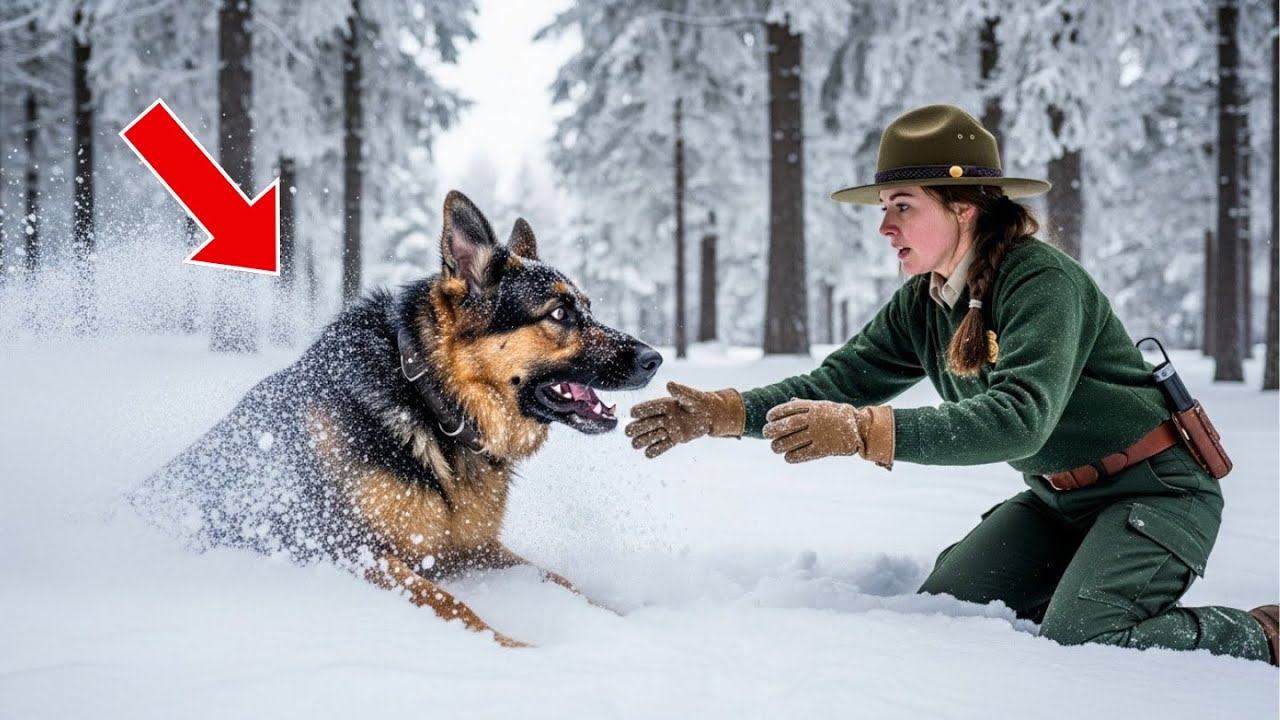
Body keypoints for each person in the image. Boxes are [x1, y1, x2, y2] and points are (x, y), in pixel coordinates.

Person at [624, 104, 1278, 665]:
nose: (885, 228)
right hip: (1057, 503)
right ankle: (1085, 581)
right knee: (944, 612)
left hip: (1157, 492)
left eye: (902, 208)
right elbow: (840, 380)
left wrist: (865, 433)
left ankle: (1261, 635)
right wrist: (723, 411)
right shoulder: (925, 304)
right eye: (884, 209)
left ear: (964, 210)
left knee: (1087, 638)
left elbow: (1019, 419)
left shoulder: (1040, 282)